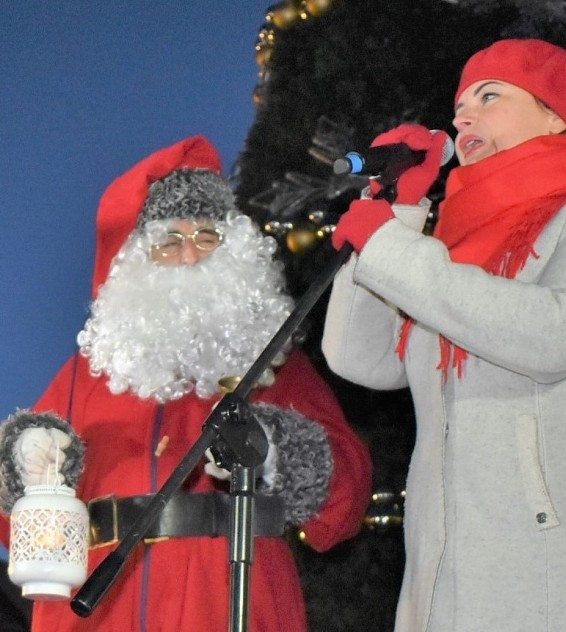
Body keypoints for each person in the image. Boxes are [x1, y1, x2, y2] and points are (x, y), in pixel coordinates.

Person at [322, 39, 566, 631]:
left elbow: (555, 334)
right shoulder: (448, 251)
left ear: (555, 114)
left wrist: (391, 248)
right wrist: (401, 213)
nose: (462, 117)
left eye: (490, 96)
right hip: (447, 575)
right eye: (460, 105)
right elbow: (362, 357)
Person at [0, 136, 373, 632]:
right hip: (96, 611)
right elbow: (12, 525)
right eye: (170, 241)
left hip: (230, 602)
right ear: (138, 262)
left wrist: (274, 449)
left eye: (206, 238)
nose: (190, 257)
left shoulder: (275, 365)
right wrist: (23, 462)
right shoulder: (85, 377)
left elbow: (345, 504)